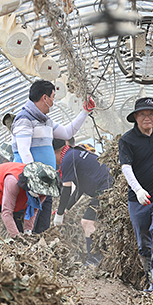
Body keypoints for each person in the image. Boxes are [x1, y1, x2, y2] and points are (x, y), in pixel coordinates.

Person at [12, 79, 95, 234]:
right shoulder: (24, 119)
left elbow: (67, 133)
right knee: (26, 228)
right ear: (45, 98)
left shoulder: (46, 121)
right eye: (53, 98)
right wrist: (32, 181)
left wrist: (85, 112)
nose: (53, 102)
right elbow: (24, 152)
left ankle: (37, 256)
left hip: (46, 184)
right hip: (28, 185)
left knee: (42, 228)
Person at [119, 97, 153, 291]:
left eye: (151, 114)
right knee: (142, 241)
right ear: (135, 117)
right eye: (142, 114)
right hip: (138, 198)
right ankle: (150, 276)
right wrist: (138, 189)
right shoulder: (127, 140)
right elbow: (126, 167)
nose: (147, 118)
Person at [52, 139, 113, 264]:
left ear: (54, 152)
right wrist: (65, 209)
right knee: (97, 223)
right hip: (107, 185)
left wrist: (59, 214)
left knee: (87, 222)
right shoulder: (72, 153)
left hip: (106, 188)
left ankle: (95, 260)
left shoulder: (67, 159)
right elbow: (80, 188)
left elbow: (67, 189)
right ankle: (104, 258)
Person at [0, 161, 60, 248]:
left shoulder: (45, 191)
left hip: (17, 199)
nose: (40, 194)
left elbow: (33, 210)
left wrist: (27, 231)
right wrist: (18, 239)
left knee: (19, 228)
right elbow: (6, 213)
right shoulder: (13, 181)